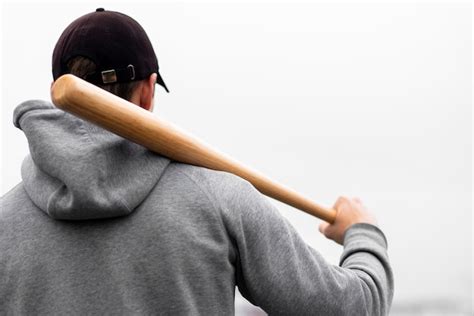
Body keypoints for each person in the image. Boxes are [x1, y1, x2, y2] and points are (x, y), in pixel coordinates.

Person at [0, 8, 393, 315]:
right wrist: (363, 232)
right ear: (148, 92)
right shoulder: (222, 201)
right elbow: (353, 307)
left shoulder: (4, 221)